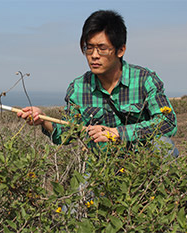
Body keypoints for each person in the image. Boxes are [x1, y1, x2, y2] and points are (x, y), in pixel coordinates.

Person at [17, 10, 178, 156]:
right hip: (101, 167)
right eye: (89, 48)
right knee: (82, 189)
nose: (94, 55)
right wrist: (43, 119)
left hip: (142, 161)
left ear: (120, 50)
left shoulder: (144, 80)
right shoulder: (79, 88)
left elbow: (168, 122)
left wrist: (118, 133)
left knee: (163, 146)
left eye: (102, 48)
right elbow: (67, 133)